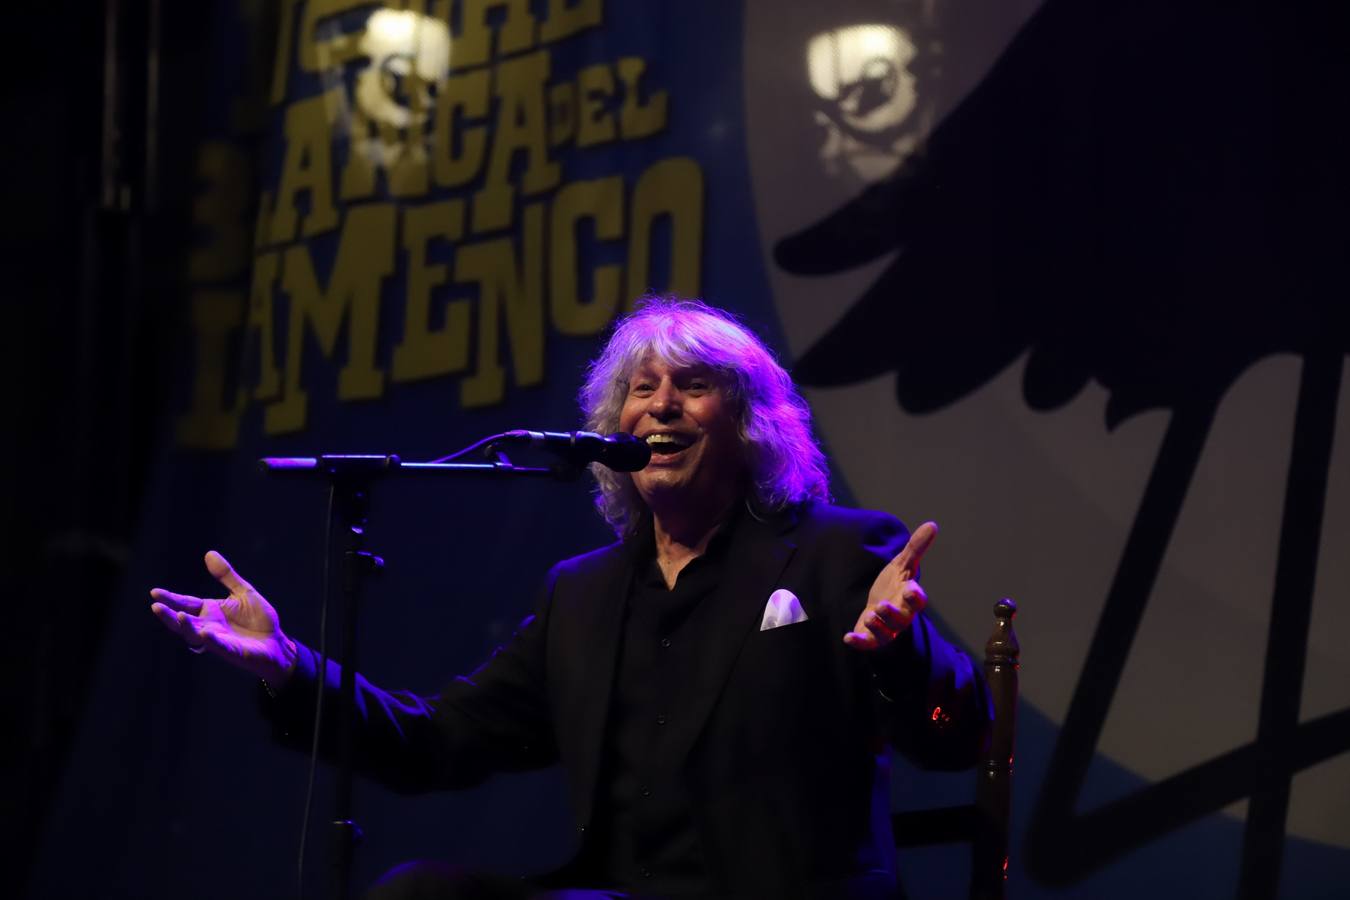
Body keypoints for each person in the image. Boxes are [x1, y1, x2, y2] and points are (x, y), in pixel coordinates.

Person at [149, 297, 991, 900]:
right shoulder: (581, 596)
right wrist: (288, 667)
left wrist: (902, 651)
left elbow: (960, 737)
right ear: (612, 428)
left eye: (692, 384)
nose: (660, 402)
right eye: (641, 387)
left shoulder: (840, 551)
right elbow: (437, 741)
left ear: (750, 423)